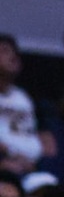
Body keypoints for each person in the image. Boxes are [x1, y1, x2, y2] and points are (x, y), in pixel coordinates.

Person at [0, 35, 54, 175]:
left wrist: (37, 163)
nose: (13, 56)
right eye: (5, 51)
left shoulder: (28, 97)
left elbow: (48, 143)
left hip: (34, 167)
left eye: (14, 52)